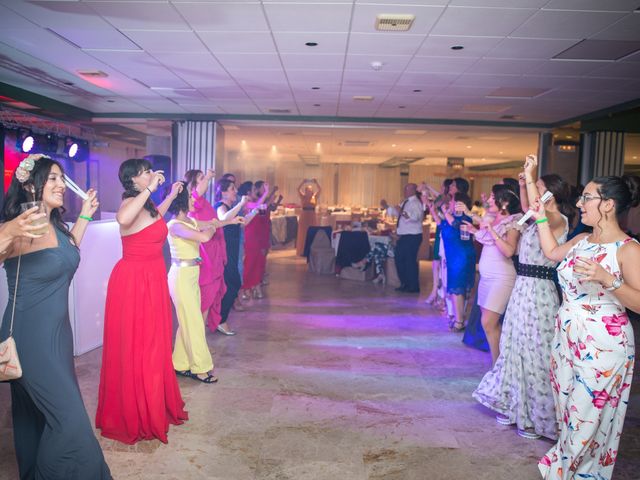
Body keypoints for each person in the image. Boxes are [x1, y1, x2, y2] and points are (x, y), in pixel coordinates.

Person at [0, 154, 111, 478]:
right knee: (71, 425)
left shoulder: (53, 225)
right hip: (29, 337)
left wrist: (87, 216)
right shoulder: (22, 226)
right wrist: (7, 229)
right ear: (28, 183)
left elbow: (66, 253)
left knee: (35, 418)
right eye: (53, 178)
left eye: (62, 178)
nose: (61, 184)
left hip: (58, 336)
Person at [531, 175, 639, 479]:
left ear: (608, 204)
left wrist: (609, 280)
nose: (580, 204)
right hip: (567, 339)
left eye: (587, 198)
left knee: (585, 422)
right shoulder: (582, 241)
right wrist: (540, 214)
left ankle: (558, 472)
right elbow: (552, 253)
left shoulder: (628, 250)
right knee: (569, 416)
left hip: (606, 345)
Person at [474, 155, 574, 440]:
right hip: (522, 286)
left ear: (551, 193)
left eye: (539, 188)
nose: (534, 194)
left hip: (540, 291)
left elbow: (540, 215)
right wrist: (523, 184)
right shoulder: (534, 219)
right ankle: (515, 406)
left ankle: (535, 418)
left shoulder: (556, 219)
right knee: (514, 346)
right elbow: (528, 213)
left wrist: (530, 178)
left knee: (535, 352)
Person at [96, 158, 188, 444]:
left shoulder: (145, 205)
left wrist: (170, 195)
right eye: (146, 172)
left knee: (155, 343)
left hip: (152, 279)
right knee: (139, 345)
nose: (151, 175)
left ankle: (152, 403)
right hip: (134, 282)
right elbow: (123, 220)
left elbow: (153, 220)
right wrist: (150, 190)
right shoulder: (129, 203)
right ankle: (135, 410)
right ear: (134, 179)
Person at [463, 185, 523, 365]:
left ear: (504, 202)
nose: (489, 200)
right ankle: (498, 364)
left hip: (502, 277)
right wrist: (475, 231)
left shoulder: (513, 222)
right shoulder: (494, 219)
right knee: (490, 325)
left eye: (492, 197)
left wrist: (490, 231)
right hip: (486, 278)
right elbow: (487, 238)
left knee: (488, 322)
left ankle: (499, 366)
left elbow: (508, 251)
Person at [166, 182, 219, 384]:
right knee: (194, 322)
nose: (192, 200)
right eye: (189, 197)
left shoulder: (189, 220)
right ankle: (201, 368)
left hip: (191, 275)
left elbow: (211, 223)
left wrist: (228, 221)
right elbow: (205, 236)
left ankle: (179, 363)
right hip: (180, 276)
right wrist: (213, 227)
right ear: (181, 201)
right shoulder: (175, 226)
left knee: (188, 320)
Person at [215, 178, 253, 335]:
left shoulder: (231, 207)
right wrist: (241, 204)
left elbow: (243, 223)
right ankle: (220, 320)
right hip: (224, 251)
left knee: (233, 284)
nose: (236, 191)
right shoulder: (220, 206)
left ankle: (219, 319)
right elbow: (223, 219)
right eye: (232, 189)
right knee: (234, 283)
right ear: (223, 192)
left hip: (233, 250)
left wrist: (256, 211)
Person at [438, 192, 476, 331]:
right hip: (453, 257)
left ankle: (459, 321)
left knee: (458, 289)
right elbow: (441, 224)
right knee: (455, 289)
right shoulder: (451, 217)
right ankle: (458, 318)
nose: (450, 203)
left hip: (462, 257)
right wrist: (434, 208)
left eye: (453, 201)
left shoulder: (466, 218)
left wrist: (445, 212)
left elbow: (455, 225)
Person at [424, 179, 452, 307]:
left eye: (442, 186)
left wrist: (430, 205)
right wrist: (428, 187)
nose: (440, 188)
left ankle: (441, 295)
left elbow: (440, 214)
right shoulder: (442, 198)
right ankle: (435, 292)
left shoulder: (448, 200)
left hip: (446, 232)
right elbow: (436, 195)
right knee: (436, 263)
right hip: (440, 231)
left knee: (443, 264)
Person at [241, 180, 270, 299]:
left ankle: (254, 285)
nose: (256, 191)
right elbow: (257, 206)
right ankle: (245, 288)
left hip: (257, 237)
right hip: (249, 237)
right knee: (249, 263)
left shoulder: (253, 203)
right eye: (254, 190)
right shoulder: (245, 203)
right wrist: (266, 193)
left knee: (257, 263)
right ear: (248, 192)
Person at [395, 183, 424, 293]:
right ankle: (405, 283)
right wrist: (388, 208)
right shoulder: (405, 202)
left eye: (406, 189)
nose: (404, 191)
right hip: (405, 235)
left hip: (412, 236)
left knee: (409, 261)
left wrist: (401, 212)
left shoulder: (416, 203)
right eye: (404, 189)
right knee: (400, 259)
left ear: (413, 190)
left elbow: (415, 217)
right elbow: (398, 215)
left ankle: (413, 286)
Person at [296, 178, 321, 256]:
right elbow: (298, 189)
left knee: (312, 232)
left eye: (310, 190)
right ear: (306, 191)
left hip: (312, 216)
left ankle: (311, 251)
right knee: (303, 233)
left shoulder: (315, 197)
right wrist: (303, 182)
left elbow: (320, 189)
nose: (309, 191)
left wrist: (316, 182)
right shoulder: (303, 197)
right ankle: (302, 251)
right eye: (307, 190)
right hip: (304, 215)